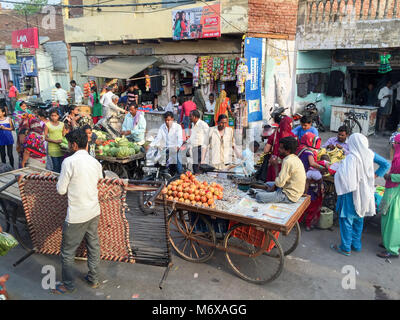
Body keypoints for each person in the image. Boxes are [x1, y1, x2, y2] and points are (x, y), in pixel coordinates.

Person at [52, 129, 103, 294]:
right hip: (93, 210)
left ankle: (68, 285)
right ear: (86, 144)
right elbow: (98, 181)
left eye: (68, 144)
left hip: (76, 215)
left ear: (74, 145)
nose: (67, 146)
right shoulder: (95, 163)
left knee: (67, 253)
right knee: (93, 246)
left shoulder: (69, 162)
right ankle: (94, 279)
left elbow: (60, 190)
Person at [331, 133, 390, 256]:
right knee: (359, 217)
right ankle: (356, 245)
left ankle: (345, 248)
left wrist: (335, 169)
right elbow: (386, 164)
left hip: (350, 193)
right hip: (365, 191)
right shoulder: (370, 154)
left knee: (347, 219)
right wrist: (374, 175)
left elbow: (345, 178)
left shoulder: (351, 158)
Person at [249, 136, 306, 204]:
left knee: (259, 196)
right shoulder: (294, 158)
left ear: (288, 150)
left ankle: (260, 192)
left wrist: (275, 166)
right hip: (291, 189)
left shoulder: (288, 161)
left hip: (289, 196)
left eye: (281, 148)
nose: (278, 149)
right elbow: (282, 180)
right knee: (268, 183)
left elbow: (280, 183)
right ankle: (267, 191)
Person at [377, 133, 400, 259]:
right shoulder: (397, 157)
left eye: (395, 143)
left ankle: (392, 249)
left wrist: (391, 176)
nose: (393, 145)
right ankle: (387, 242)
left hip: (396, 191)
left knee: (393, 220)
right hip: (392, 189)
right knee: (386, 216)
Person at [261, 116, 296, 181]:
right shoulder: (293, 136)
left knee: (274, 181)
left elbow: (266, 150)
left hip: (274, 160)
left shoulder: (274, 135)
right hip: (288, 162)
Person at [150, 111, 183, 176]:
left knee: (178, 164)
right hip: (166, 149)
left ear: (172, 119)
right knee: (156, 159)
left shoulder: (178, 127)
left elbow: (180, 139)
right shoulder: (162, 127)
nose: (167, 122)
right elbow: (158, 138)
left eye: (169, 120)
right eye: (166, 120)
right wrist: (151, 145)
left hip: (175, 149)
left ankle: (180, 174)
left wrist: (177, 146)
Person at [187, 110, 209, 174]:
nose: (189, 118)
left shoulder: (203, 124)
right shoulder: (192, 124)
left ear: (195, 117)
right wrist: (187, 141)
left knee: (198, 166)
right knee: (195, 166)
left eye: (190, 116)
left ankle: (200, 180)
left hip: (200, 148)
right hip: (194, 148)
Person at [44, 109, 65, 173]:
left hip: (61, 147)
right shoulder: (47, 125)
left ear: (58, 116)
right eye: (52, 115)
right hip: (52, 148)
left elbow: (64, 135)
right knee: (55, 166)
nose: (53, 117)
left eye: (55, 115)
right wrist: (55, 141)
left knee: (61, 166)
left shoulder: (62, 124)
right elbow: (45, 138)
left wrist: (63, 141)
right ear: (50, 116)